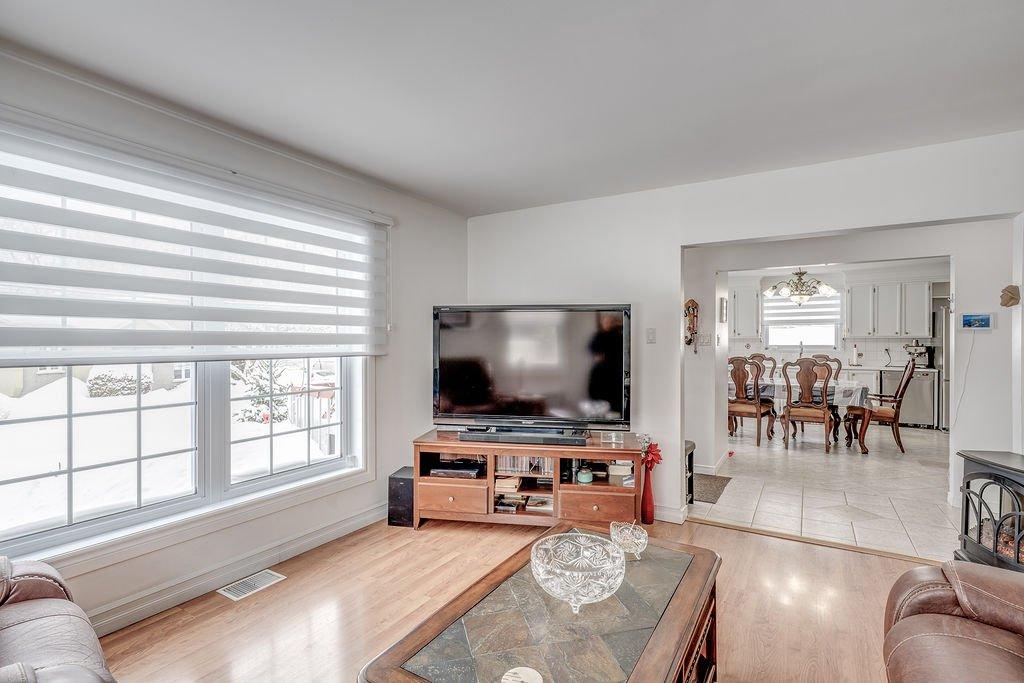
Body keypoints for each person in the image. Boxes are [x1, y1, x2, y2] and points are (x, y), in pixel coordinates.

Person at [588, 314, 624, 415]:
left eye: (611, 321)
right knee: (598, 398)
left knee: (616, 398)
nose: (609, 324)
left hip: (615, 371)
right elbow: (593, 350)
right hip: (601, 372)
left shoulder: (619, 335)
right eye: (606, 321)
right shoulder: (599, 336)